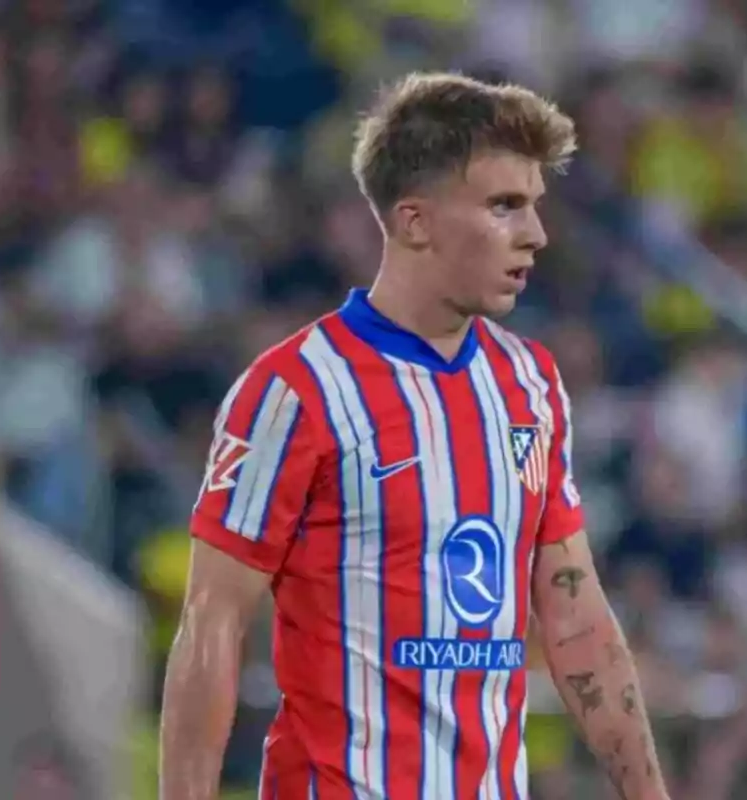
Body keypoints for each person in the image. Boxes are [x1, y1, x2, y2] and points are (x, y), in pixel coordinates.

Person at [159, 72, 671, 800]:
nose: (535, 234)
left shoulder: (531, 383)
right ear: (414, 221)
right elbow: (211, 624)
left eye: (533, 206)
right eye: (503, 206)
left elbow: (576, 615)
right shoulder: (296, 391)